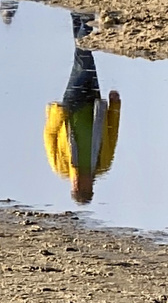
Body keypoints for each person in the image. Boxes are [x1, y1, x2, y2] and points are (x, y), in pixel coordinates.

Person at [43, 12, 121, 203]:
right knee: (83, 58)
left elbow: (49, 136)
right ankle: (79, 17)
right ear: (91, 186)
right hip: (94, 104)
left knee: (83, 58)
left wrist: (58, 113)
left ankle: (84, 19)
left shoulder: (60, 166)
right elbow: (112, 134)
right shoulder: (102, 164)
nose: (78, 183)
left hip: (71, 105)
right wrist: (115, 106)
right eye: (82, 187)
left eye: (76, 187)